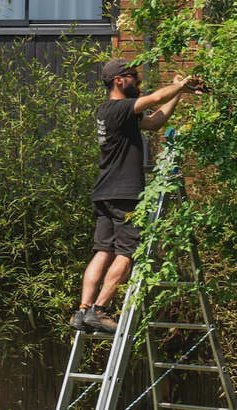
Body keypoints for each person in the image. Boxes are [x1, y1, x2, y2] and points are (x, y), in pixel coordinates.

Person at [71, 58, 201, 332]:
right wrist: (180, 85)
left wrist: (179, 92)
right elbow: (154, 98)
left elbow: (155, 122)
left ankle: (82, 310)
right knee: (128, 252)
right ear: (119, 80)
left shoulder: (111, 112)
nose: (138, 80)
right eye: (133, 76)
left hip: (105, 192)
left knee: (103, 250)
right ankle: (100, 309)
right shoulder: (119, 108)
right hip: (124, 193)